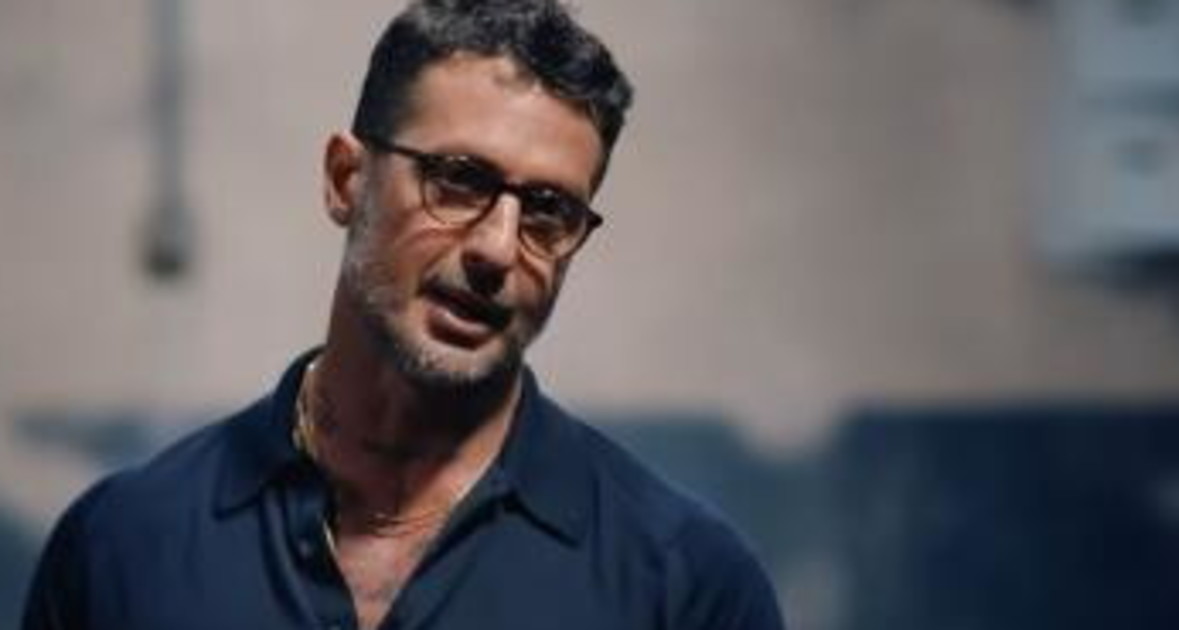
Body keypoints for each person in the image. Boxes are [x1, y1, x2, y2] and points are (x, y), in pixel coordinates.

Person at [22, 1, 786, 628]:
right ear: (345, 180)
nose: (496, 248)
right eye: (459, 179)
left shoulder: (687, 587)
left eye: (548, 210)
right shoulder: (123, 547)